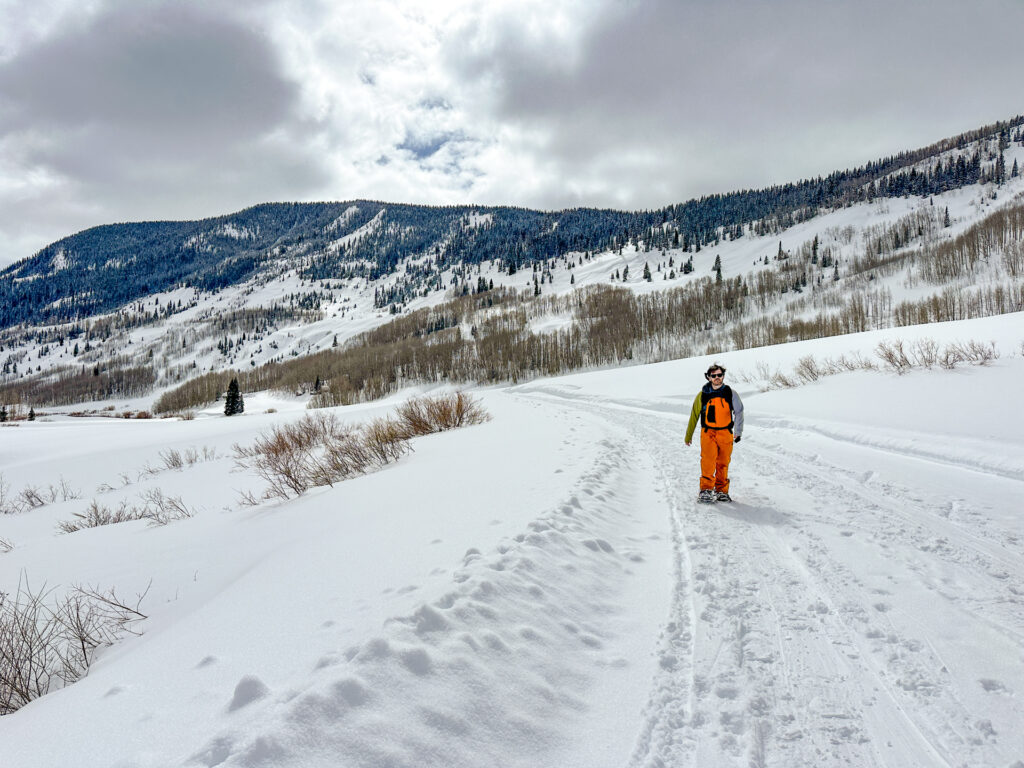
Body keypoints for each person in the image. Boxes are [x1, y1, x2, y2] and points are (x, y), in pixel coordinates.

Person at [684, 363, 744, 503]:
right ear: (709, 377)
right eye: (714, 375)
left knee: (723, 463)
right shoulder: (702, 395)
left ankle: (722, 491)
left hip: (726, 433)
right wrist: (688, 435)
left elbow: (739, 412)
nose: (717, 378)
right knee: (708, 461)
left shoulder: (730, 393)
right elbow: (694, 415)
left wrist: (738, 431)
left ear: (723, 376)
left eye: (719, 375)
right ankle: (706, 490)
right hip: (708, 433)